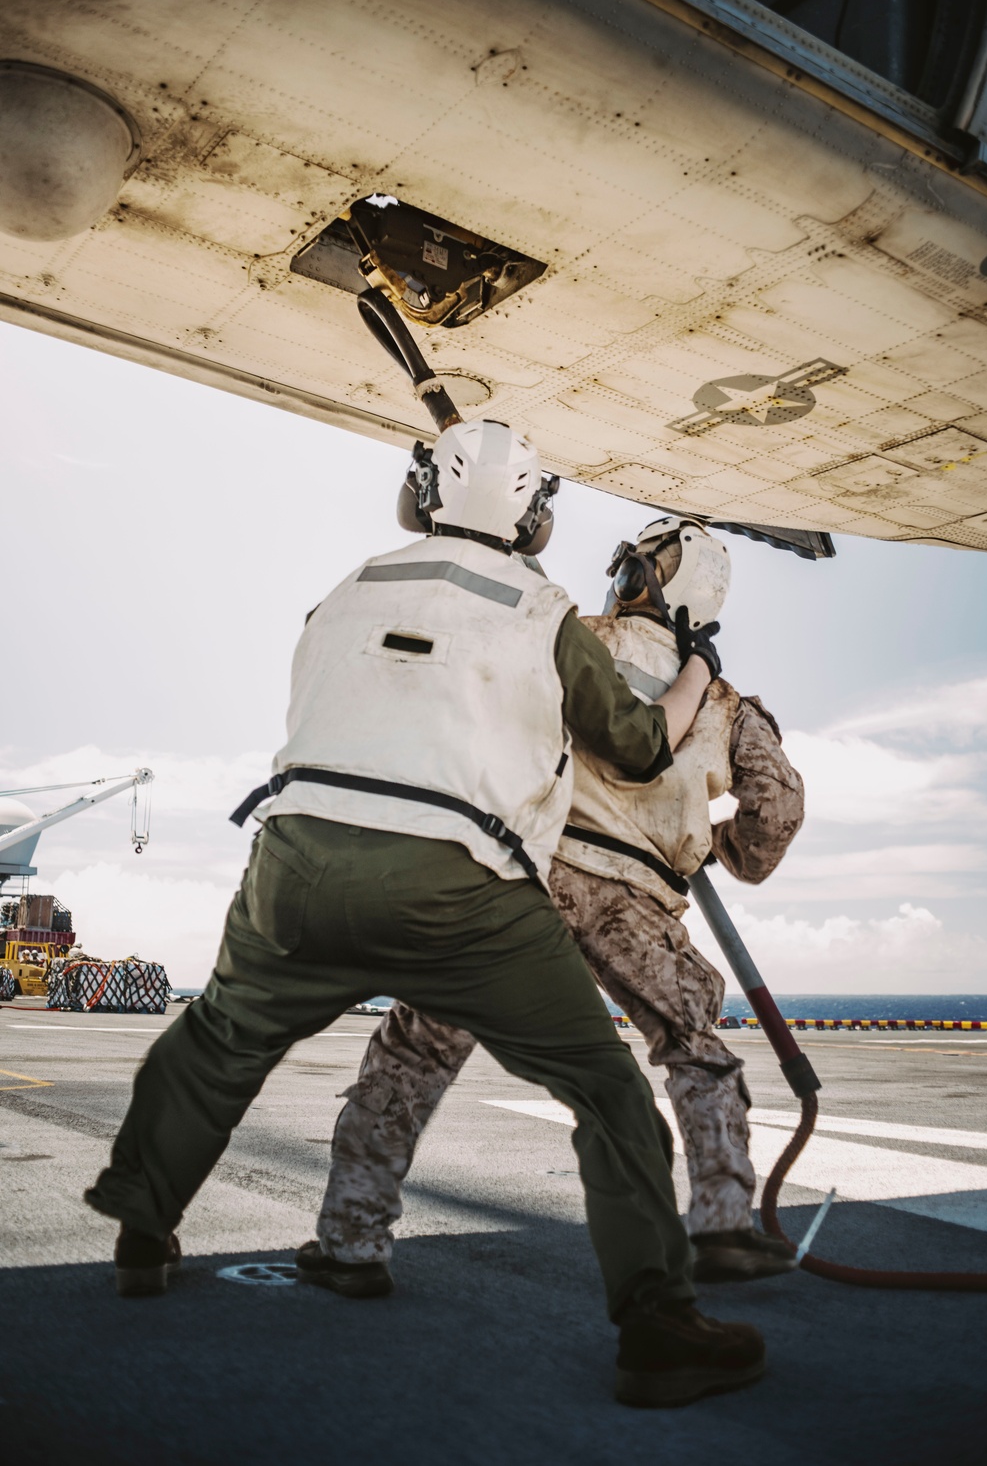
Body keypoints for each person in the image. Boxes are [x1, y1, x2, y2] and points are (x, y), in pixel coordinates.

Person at [84, 423, 765, 1409]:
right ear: (534, 521)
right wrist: (696, 665)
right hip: (462, 890)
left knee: (216, 1042)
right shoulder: (546, 612)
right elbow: (638, 747)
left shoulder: (347, 587)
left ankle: (148, 1234)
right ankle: (659, 1326)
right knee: (606, 1092)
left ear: (418, 500)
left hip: (295, 859)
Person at [316, 517, 805, 1288]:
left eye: (635, 565)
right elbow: (774, 808)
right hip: (638, 897)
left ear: (653, 579)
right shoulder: (728, 707)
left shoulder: (568, 635)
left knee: (418, 1046)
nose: (624, 575)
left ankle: (351, 1242)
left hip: (524, 876)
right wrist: (714, 846)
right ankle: (723, 1226)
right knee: (695, 1051)